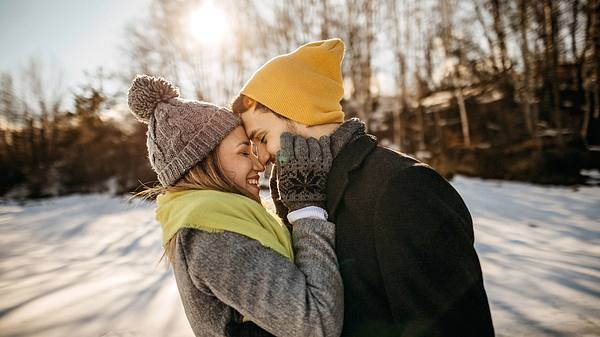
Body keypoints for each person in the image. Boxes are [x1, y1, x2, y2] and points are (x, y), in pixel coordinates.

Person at [231, 38, 495, 337]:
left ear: (301, 113)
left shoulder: (404, 187)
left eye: (262, 138)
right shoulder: (302, 198)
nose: (262, 158)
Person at [127, 75, 343, 337]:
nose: (259, 164)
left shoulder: (227, 218)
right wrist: (307, 209)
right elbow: (315, 324)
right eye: (244, 152)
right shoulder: (211, 233)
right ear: (203, 163)